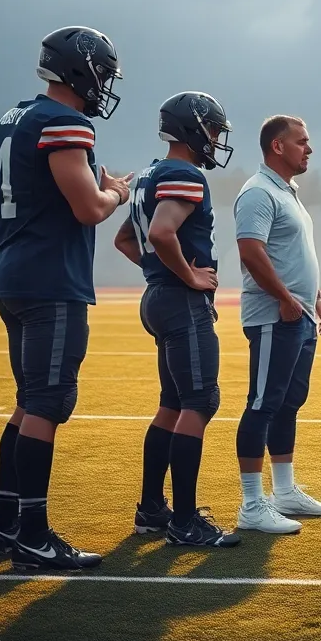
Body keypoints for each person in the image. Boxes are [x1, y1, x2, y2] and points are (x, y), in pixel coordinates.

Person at [0, 26, 132, 571]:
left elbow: (53, 184)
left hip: (13, 273)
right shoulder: (65, 121)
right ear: (83, 70)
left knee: (28, 402)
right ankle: (34, 534)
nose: (106, 84)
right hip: (49, 279)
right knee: (46, 404)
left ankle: (3, 527)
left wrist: (97, 182)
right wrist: (116, 189)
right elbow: (89, 209)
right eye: (104, 73)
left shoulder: (14, 117)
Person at [113, 91, 241, 548]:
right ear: (192, 128)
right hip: (179, 302)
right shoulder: (184, 174)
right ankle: (184, 522)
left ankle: (151, 510)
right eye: (211, 130)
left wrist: (165, 274)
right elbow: (159, 233)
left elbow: (126, 241)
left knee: (173, 404)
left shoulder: (150, 173)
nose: (214, 140)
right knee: (199, 402)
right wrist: (189, 276)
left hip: (158, 298)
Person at [233, 115, 321, 534]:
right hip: (274, 316)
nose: (308, 149)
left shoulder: (286, 192)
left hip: (299, 313)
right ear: (278, 146)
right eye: (302, 142)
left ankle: (285, 490)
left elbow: (293, 253)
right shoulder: (258, 192)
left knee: (289, 402)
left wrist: (316, 296)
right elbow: (251, 251)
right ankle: (251, 504)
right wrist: (284, 298)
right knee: (262, 403)